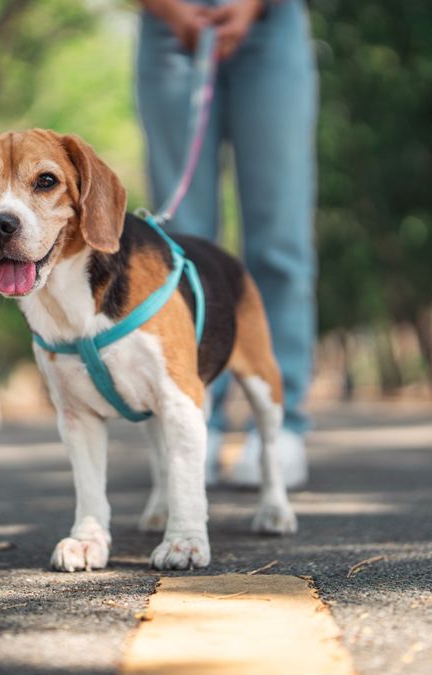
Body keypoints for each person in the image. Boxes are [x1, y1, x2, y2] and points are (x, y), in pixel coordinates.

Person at [136, 0, 317, 487]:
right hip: (168, 27)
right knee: (179, 247)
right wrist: (173, 12)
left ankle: (280, 426)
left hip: (272, 22)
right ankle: (193, 418)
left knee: (280, 239)